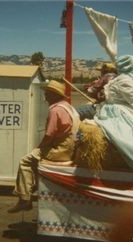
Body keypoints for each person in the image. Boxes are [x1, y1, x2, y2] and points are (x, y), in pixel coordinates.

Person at [8, 80, 80, 213]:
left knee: (25, 161)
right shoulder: (69, 107)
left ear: (54, 95)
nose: (45, 96)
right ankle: (32, 186)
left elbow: (48, 136)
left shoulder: (56, 110)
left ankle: (24, 198)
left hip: (60, 151)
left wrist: (38, 148)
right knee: (35, 158)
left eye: (47, 93)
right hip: (70, 149)